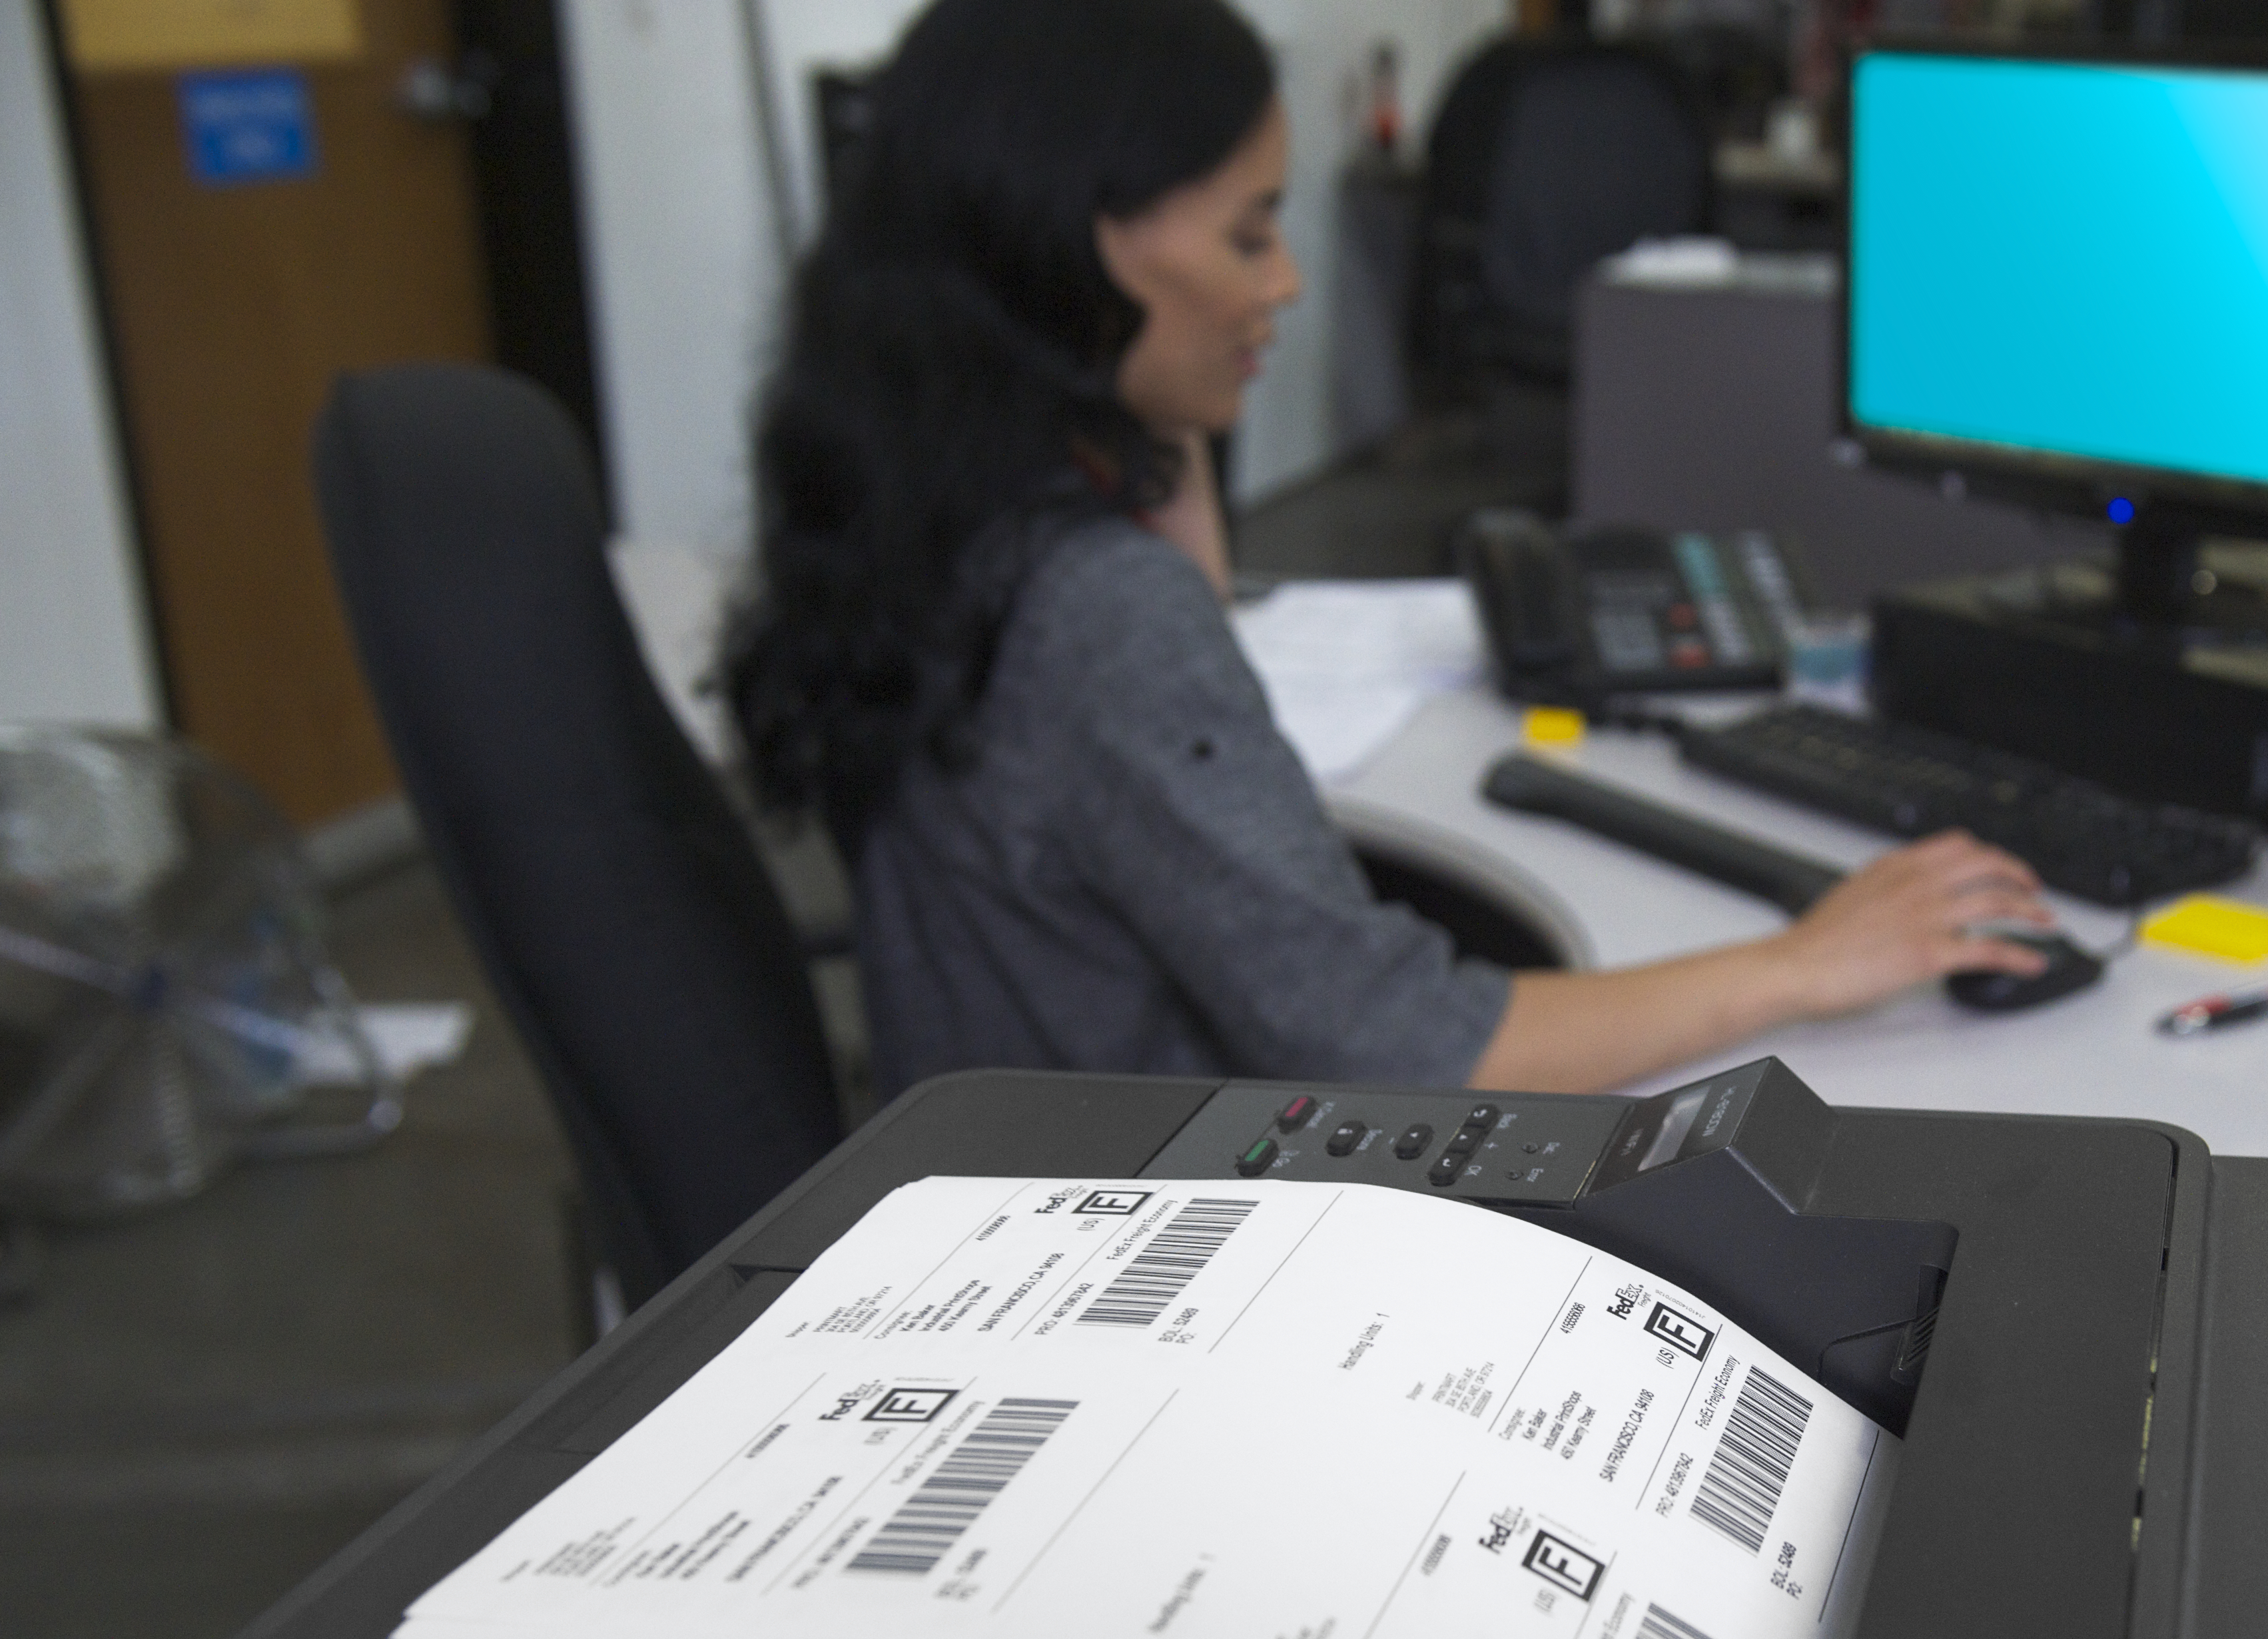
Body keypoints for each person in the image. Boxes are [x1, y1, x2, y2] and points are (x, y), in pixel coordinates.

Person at [726, 0, 2054, 1100]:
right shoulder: (1089, 609)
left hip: (1003, 1164)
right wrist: (1809, 960)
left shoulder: (923, 505)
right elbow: (1409, 1045)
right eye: (1248, 232)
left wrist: (1128, 383)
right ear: (1074, 240)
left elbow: (1178, 661)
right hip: (1184, 1230)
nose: (1286, 282)